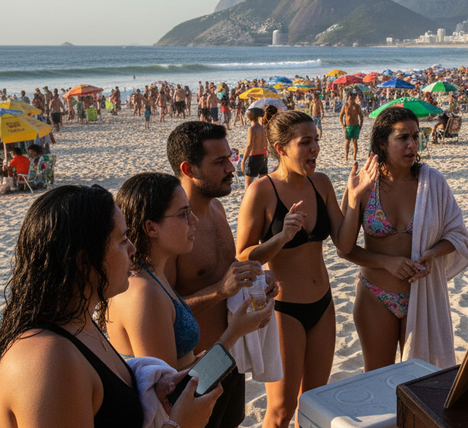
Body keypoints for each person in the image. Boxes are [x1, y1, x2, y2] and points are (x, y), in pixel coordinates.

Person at [0, 185, 221, 428]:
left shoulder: (78, 324)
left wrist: (146, 387)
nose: (132, 248)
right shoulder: (48, 360)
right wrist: (180, 425)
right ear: (85, 262)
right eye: (123, 239)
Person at [234, 110, 377, 428]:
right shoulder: (261, 192)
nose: (315, 148)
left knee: (314, 403)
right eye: (305, 142)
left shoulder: (321, 183)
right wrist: (283, 236)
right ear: (281, 149)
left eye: (317, 141)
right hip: (284, 311)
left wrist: (354, 199)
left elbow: (343, 244)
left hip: (323, 306)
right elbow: (242, 258)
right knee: (282, 409)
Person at [337, 107, 468, 371]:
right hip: (375, 296)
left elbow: (458, 234)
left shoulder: (431, 182)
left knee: (421, 382)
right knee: (378, 379)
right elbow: (344, 249)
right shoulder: (365, 186)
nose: (412, 144)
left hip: (422, 296)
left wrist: (433, 253)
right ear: (381, 143)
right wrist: (386, 262)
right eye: (402, 137)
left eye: (416, 136)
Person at [167, 121, 277, 428]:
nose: (232, 167)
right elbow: (159, 312)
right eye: (220, 162)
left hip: (230, 355)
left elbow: (229, 274)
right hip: (196, 366)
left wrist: (256, 283)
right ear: (188, 169)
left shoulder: (217, 208)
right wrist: (220, 290)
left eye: (231, 157)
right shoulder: (173, 229)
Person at [107, 172, 275, 370]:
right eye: (183, 214)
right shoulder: (144, 292)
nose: (194, 220)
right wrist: (234, 333)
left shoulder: (152, 276)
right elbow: (170, 393)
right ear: (151, 228)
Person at [243, 108, 268, 188]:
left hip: (253, 156)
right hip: (262, 155)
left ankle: (248, 200)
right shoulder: (262, 128)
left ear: (250, 117)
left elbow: (249, 145)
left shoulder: (251, 129)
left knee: (248, 182)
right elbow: (265, 143)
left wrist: (243, 160)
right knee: (263, 180)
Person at [339, 92, 364, 162]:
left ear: (354, 99)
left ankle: (354, 157)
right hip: (348, 126)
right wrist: (343, 125)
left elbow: (361, 116)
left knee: (355, 142)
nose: (350, 100)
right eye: (349, 98)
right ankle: (346, 156)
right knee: (347, 141)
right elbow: (341, 116)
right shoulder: (345, 106)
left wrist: (360, 126)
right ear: (348, 98)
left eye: (352, 98)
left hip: (355, 126)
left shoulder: (357, 106)